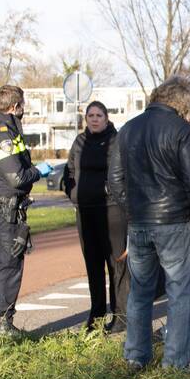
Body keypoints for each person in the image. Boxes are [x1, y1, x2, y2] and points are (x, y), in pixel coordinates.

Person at [107, 74, 190, 371]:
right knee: (178, 291)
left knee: (140, 290)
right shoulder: (181, 130)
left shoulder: (127, 129)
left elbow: (114, 180)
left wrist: (133, 209)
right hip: (173, 221)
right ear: (183, 103)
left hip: (139, 223)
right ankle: (175, 362)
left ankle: (135, 356)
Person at [0, 85, 53, 338]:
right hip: (7, 209)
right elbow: (17, 177)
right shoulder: (2, 134)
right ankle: (2, 323)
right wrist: (39, 171)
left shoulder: (4, 129)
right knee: (7, 266)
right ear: (15, 107)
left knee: (7, 265)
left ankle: (3, 320)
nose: (24, 110)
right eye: (23, 106)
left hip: (9, 208)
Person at [62, 101, 129, 333]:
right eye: (90, 115)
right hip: (85, 211)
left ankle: (121, 316)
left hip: (112, 211)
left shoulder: (117, 141)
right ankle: (96, 316)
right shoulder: (79, 142)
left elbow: (126, 173)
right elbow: (69, 171)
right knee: (93, 265)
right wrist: (72, 193)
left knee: (116, 264)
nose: (94, 119)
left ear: (107, 118)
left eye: (99, 115)